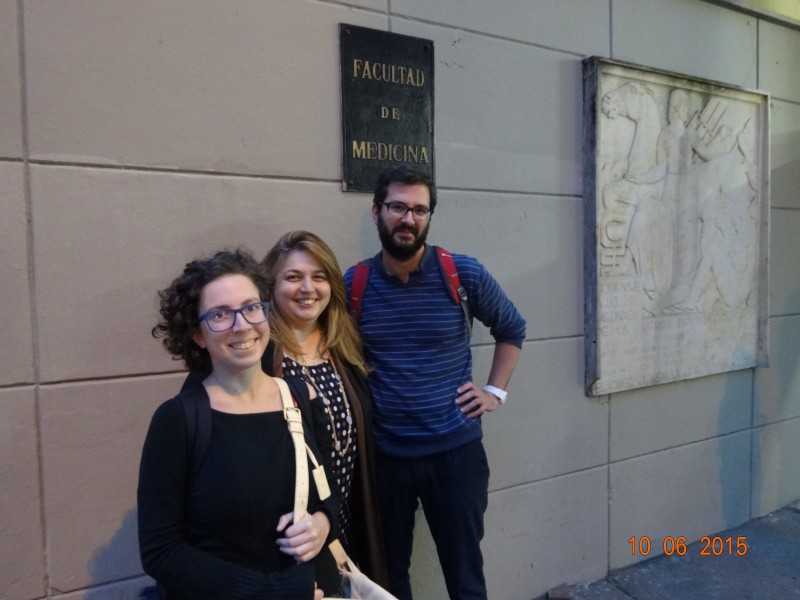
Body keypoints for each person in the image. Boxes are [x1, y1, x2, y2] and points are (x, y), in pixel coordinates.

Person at [344, 166, 527, 600]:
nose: (408, 219)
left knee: (465, 578)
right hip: (385, 459)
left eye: (419, 209)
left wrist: (494, 392)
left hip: (456, 456)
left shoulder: (463, 274)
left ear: (429, 216)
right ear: (376, 211)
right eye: (397, 207)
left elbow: (512, 329)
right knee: (388, 578)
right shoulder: (354, 285)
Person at [181, 232, 389, 588]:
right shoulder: (248, 351)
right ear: (271, 287)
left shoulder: (345, 348)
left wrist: (327, 518)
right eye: (294, 277)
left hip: (338, 524)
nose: (308, 288)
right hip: (280, 545)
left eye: (319, 277)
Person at [138, 249, 337, 599]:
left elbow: (328, 487)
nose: (242, 325)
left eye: (251, 307)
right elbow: (161, 551)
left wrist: (324, 522)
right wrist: (274, 592)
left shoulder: (300, 397)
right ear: (197, 334)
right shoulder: (178, 420)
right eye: (220, 314)